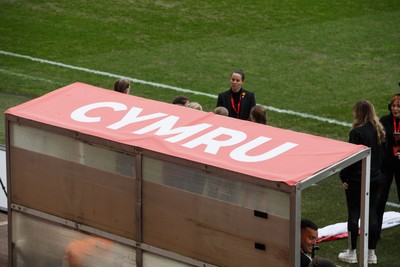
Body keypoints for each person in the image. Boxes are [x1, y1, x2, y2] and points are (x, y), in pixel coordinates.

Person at [338, 100, 385, 265]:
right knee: (372, 214)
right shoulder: (378, 130)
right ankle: (371, 252)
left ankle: (352, 252)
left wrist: (343, 177)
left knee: (353, 214)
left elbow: (351, 159)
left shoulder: (356, 132)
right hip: (376, 177)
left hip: (357, 179)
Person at [377, 93, 400, 238]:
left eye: (398, 106)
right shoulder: (384, 121)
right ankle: (375, 231)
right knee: (380, 198)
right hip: (386, 165)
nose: (395, 109)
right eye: (393, 106)